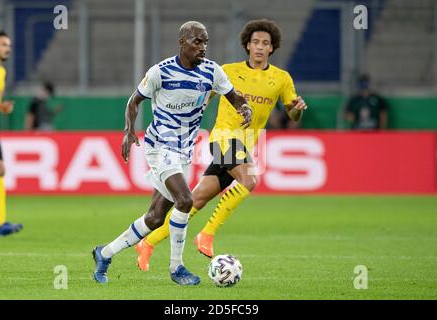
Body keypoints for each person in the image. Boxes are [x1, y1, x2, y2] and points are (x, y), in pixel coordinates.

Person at [134, 19, 307, 271]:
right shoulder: (227, 70)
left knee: (195, 201)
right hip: (223, 139)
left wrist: (296, 111)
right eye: (255, 42)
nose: (260, 47)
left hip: (244, 146)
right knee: (249, 179)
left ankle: (147, 243)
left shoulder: (281, 79)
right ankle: (207, 234)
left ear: (272, 48)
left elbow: (293, 116)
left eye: (265, 43)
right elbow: (201, 96)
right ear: (247, 45)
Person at [92, 21, 252, 285]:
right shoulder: (161, 72)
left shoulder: (212, 72)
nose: (203, 47)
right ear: (182, 42)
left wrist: (244, 108)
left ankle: (104, 253)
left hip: (183, 151)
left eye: (206, 42)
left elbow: (234, 96)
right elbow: (134, 100)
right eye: (197, 42)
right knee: (186, 201)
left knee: (155, 218)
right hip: (160, 146)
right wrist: (129, 130)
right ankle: (177, 268)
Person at [0, 31, 23, 236]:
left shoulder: (0, 71)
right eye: (3, 44)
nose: (7, 48)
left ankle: (0, 225)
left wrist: (0, 105)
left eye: (8, 45)